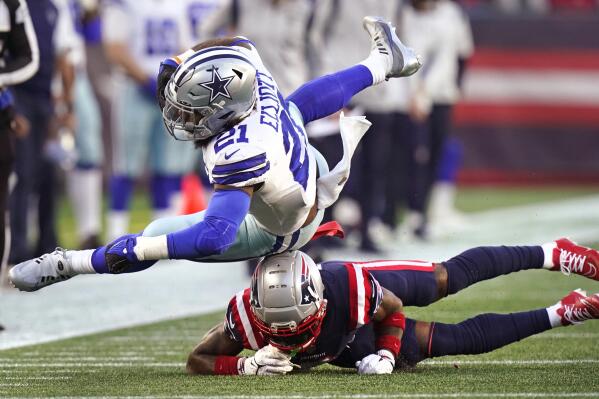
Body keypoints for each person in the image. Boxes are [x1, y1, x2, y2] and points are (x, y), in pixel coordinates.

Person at [9, 16, 422, 291]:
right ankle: (383, 61)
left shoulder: (239, 151)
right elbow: (235, 42)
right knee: (293, 105)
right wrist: (184, 59)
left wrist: (138, 249)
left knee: (154, 233)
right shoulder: (250, 77)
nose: (183, 117)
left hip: (288, 225)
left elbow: (214, 236)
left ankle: (69, 263)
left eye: (190, 110)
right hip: (307, 167)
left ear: (222, 108)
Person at [184, 237, 599, 375]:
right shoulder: (244, 318)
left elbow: (393, 309)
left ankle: (553, 253)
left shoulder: (346, 286)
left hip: (363, 305)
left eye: (294, 325)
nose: (287, 339)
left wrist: (387, 351)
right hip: (344, 344)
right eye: (278, 330)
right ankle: (564, 312)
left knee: (442, 281)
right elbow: (197, 359)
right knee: (452, 342)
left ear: (317, 299)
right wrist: (241, 366)